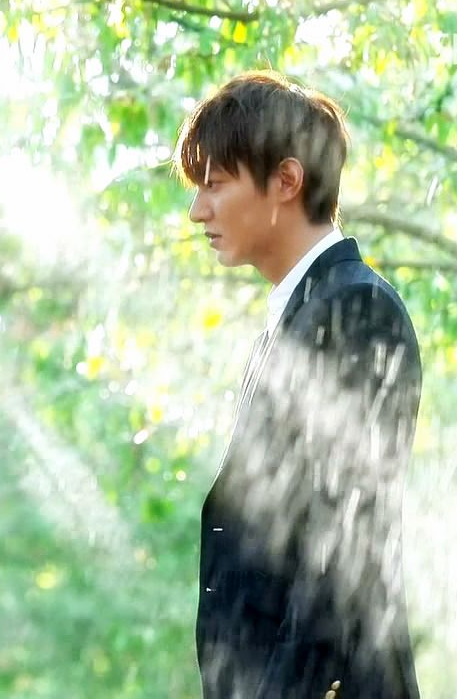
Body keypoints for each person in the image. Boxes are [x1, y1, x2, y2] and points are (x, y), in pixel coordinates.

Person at [178, 72, 421, 698]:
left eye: (215, 184)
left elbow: (343, 551)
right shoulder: (298, 312)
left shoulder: (355, 308)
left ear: (287, 181)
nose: (198, 209)